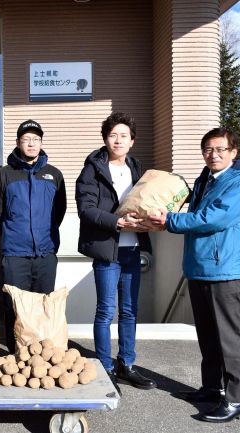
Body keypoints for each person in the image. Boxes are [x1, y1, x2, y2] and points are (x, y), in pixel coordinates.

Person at [146, 127, 240, 423]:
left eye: (221, 149)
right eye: (208, 149)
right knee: (208, 335)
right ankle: (211, 388)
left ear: (233, 152)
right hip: (199, 266)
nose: (214, 154)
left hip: (224, 269)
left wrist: (170, 220)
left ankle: (236, 401)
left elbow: (214, 217)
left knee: (229, 338)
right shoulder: (205, 179)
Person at [75, 112, 156, 393]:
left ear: (132, 141)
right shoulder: (93, 169)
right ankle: (104, 366)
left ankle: (127, 364)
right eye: (113, 135)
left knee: (130, 311)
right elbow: (86, 209)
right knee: (106, 311)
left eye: (123, 135)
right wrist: (117, 222)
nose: (118, 140)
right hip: (107, 251)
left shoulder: (136, 168)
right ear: (105, 139)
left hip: (133, 249)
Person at [0, 119, 66, 353]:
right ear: (18, 143)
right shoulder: (5, 175)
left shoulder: (54, 175)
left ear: (41, 142)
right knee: (15, 306)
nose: (31, 143)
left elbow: (58, 212)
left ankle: (41, 354)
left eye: (35, 139)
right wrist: (14, 234)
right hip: (15, 253)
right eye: (26, 139)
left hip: (45, 252)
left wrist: (46, 233)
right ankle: (15, 353)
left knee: (44, 305)